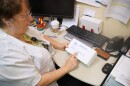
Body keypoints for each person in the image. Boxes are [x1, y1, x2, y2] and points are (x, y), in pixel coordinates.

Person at [0, 0, 78, 86]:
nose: (31, 19)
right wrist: (66, 68)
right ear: (8, 20)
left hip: (51, 68)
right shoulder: (7, 56)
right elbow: (37, 82)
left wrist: (59, 45)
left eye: (29, 12)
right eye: (25, 15)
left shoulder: (19, 28)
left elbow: (41, 36)